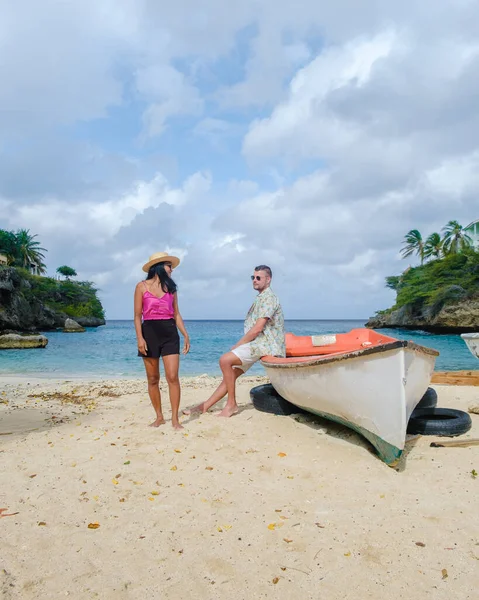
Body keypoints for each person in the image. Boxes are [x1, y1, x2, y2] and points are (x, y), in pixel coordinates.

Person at [185, 265, 285, 418]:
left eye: (259, 278)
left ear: (268, 279)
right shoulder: (262, 297)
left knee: (225, 360)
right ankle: (205, 406)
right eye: (253, 277)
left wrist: (239, 345)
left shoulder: (269, 298)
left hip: (265, 344)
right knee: (230, 374)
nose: (255, 280)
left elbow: (258, 329)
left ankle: (231, 404)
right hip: (260, 344)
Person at [134, 251, 190, 429]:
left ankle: (175, 418)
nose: (171, 270)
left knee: (172, 377)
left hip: (169, 333)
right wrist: (140, 339)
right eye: (169, 266)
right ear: (158, 267)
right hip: (149, 332)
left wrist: (185, 334)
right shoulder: (141, 287)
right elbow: (137, 316)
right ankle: (159, 417)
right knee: (152, 378)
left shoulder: (171, 289)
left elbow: (176, 314)